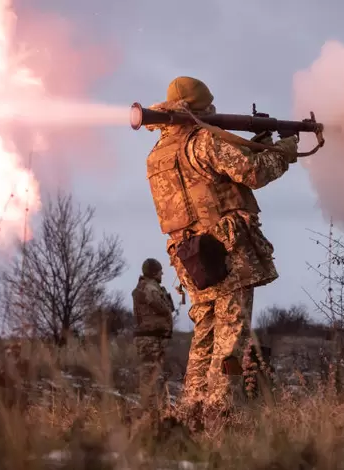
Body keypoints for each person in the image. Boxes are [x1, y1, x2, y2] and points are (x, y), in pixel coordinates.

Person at [143, 76, 299, 424]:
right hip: (226, 248)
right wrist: (285, 150)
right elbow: (254, 173)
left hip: (190, 255)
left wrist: (255, 144)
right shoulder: (204, 140)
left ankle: (191, 411)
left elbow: (207, 182)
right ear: (201, 106)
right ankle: (220, 413)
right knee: (232, 333)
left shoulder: (157, 155)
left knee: (205, 332)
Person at [131, 257, 176, 427]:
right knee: (149, 376)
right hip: (149, 338)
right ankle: (149, 414)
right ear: (154, 272)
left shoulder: (147, 286)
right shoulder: (150, 288)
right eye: (160, 271)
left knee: (153, 375)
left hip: (152, 338)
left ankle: (154, 411)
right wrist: (165, 302)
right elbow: (161, 307)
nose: (162, 274)